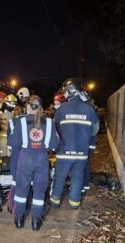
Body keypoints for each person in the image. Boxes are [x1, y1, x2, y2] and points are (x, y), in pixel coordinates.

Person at [8, 95, 59, 231]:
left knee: (21, 189)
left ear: (29, 106)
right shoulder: (49, 122)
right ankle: (36, 222)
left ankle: (18, 220)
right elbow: (54, 144)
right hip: (42, 158)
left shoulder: (21, 121)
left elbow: (12, 143)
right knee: (39, 190)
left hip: (26, 157)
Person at [50, 78, 99, 209]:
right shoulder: (89, 109)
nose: (63, 93)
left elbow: (55, 129)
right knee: (78, 178)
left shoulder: (61, 109)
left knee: (60, 177)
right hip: (81, 152)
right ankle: (74, 203)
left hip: (64, 152)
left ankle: (55, 202)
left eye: (65, 91)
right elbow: (95, 129)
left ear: (71, 91)